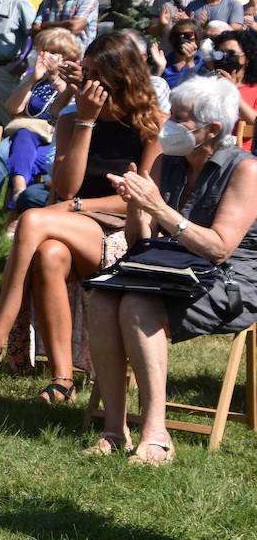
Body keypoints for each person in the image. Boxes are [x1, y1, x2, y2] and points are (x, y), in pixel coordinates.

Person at [0, 32, 163, 398]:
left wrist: (76, 207)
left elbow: (143, 200)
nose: (85, 82)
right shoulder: (73, 120)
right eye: (83, 73)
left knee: (33, 219)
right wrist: (86, 121)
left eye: (93, 75)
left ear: (120, 78)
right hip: (74, 225)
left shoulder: (152, 126)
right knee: (49, 254)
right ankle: (63, 378)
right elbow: (68, 186)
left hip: (127, 232)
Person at [84, 76, 257, 463]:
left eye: (180, 120)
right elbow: (138, 241)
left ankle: (156, 434)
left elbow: (219, 248)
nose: (169, 127)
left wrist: (160, 207)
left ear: (212, 130)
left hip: (230, 278)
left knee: (137, 305)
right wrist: (135, 203)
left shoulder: (246, 171)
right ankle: (114, 430)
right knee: (102, 297)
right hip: (167, 265)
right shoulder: (168, 162)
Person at [0, 28, 82, 225]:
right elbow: (13, 108)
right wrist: (33, 79)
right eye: (43, 50)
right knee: (22, 138)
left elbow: (60, 110)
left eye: (53, 51)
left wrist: (55, 78)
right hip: (25, 137)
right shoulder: (34, 79)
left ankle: (17, 206)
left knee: (22, 150)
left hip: (53, 137)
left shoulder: (71, 84)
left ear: (67, 57)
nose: (45, 55)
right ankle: (20, 199)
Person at [210, 31, 257, 148]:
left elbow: (254, 121)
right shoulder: (209, 85)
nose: (225, 57)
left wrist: (233, 92)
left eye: (231, 53)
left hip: (242, 154)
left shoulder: (254, 89)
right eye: (220, 54)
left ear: (246, 58)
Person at [162, 18, 202, 88]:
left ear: (197, 39)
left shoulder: (203, 62)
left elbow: (199, 89)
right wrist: (159, 69)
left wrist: (190, 62)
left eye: (187, 36)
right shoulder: (164, 62)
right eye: (177, 35)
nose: (181, 39)